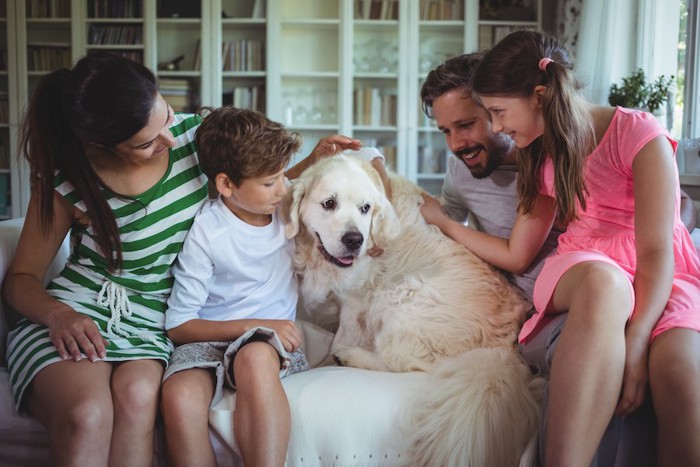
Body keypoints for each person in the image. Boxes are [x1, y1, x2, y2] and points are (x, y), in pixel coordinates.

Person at [1, 51, 361, 467]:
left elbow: (252, 187)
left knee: (139, 400)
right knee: (88, 414)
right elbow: (21, 278)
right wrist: (58, 316)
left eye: (167, 116)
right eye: (146, 142)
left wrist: (312, 163)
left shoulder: (194, 137)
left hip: (151, 323)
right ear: (101, 143)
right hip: (74, 313)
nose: (169, 141)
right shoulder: (68, 178)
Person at [422, 30, 700, 467]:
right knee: (605, 284)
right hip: (585, 265)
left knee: (683, 374)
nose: (497, 128)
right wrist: (440, 220)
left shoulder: (637, 133)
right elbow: (519, 252)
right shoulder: (537, 150)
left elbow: (656, 251)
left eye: (497, 113)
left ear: (538, 96)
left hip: (661, 272)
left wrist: (639, 341)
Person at [160, 107, 309, 467]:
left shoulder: (292, 213)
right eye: (270, 182)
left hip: (265, 344)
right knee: (179, 396)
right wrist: (254, 324)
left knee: (254, 356)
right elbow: (179, 325)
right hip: (209, 340)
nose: (283, 189)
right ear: (226, 185)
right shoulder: (206, 232)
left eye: (283, 176)